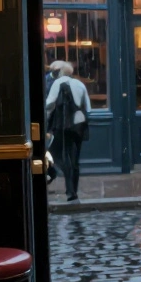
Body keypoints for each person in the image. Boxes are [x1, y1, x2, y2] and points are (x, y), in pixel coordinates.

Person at [45, 60, 91, 201]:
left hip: (63, 125)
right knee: (75, 159)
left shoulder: (57, 83)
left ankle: (70, 190)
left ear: (60, 72)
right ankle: (73, 190)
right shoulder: (80, 84)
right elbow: (88, 108)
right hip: (79, 125)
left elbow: (49, 103)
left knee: (61, 155)